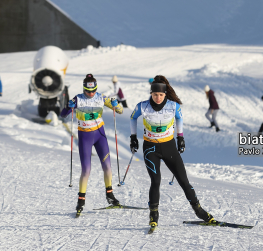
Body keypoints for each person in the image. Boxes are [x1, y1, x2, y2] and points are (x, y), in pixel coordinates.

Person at [130, 75, 217, 232]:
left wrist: (180, 138)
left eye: (161, 95)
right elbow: (132, 118)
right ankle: (153, 215)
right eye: (155, 94)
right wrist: (133, 138)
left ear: (165, 94)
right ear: (151, 93)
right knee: (156, 181)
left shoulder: (173, 106)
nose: (158, 98)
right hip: (151, 149)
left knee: (184, 181)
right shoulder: (142, 106)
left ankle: (199, 211)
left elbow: (179, 119)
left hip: (169, 147)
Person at [61, 74, 124, 215]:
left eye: (93, 91)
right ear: (84, 89)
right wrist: (68, 107)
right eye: (88, 91)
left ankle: (110, 195)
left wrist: (116, 105)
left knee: (107, 165)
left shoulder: (101, 98)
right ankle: (81, 201)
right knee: (86, 170)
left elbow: (120, 111)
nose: (91, 94)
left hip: (100, 135)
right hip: (85, 136)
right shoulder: (77, 99)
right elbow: (62, 114)